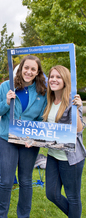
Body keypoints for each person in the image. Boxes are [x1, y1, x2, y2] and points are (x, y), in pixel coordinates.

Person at [0, 55, 47, 218]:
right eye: (26, 67)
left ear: (37, 72)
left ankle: (23, 215)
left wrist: (33, 139)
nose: (28, 71)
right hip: (8, 140)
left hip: (29, 142)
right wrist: (6, 102)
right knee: (7, 181)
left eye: (33, 69)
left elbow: (41, 118)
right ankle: (0, 215)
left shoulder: (42, 91)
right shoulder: (7, 86)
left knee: (26, 181)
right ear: (20, 68)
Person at [42, 65, 86, 217]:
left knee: (73, 197)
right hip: (53, 155)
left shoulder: (72, 101)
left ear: (65, 80)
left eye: (58, 77)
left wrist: (77, 108)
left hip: (71, 158)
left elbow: (79, 130)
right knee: (51, 194)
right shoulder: (49, 101)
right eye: (52, 76)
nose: (53, 79)